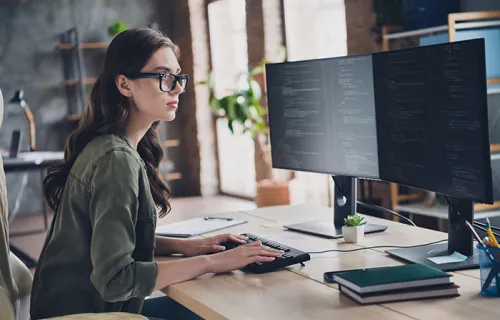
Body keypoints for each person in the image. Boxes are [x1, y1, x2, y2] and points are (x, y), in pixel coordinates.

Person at [29, 28, 282, 320]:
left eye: (178, 76)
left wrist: (185, 246)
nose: (176, 88)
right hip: (88, 314)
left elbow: (106, 238)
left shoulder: (110, 146)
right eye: (163, 76)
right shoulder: (116, 160)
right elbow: (115, 280)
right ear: (125, 84)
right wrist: (212, 261)